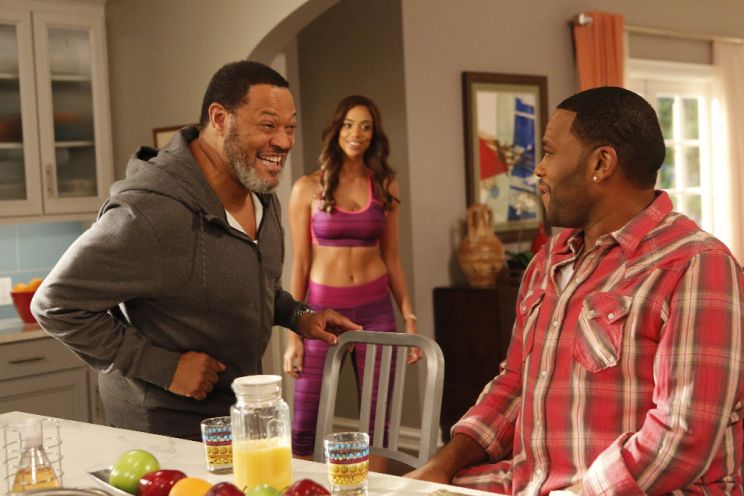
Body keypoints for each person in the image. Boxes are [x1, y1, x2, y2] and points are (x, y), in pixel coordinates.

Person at [407, 87, 743, 494]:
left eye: (549, 152)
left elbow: (683, 436)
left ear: (601, 163)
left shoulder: (697, 264)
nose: (539, 169)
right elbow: (515, 384)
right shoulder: (549, 260)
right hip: (534, 483)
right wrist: (441, 466)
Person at [30, 60, 361, 440]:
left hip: (238, 418)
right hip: (163, 432)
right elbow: (55, 304)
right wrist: (164, 367)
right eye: (268, 125)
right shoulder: (151, 213)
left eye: (290, 127)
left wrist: (299, 316)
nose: (284, 142)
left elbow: (254, 286)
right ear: (219, 118)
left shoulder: (258, 194)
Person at [282, 95, 422, 469]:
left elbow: (392, 257)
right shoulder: (307, 188)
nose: (355, 133)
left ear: (374, 134)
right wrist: (294, 334)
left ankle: (375, 492)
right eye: (348, 125)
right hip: (320, 314)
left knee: (380, 424)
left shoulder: (385, 184)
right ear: (336, 130)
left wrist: (409, 316)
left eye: (365, 126)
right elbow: (300, 263)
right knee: (305, 423)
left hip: (376, 312)